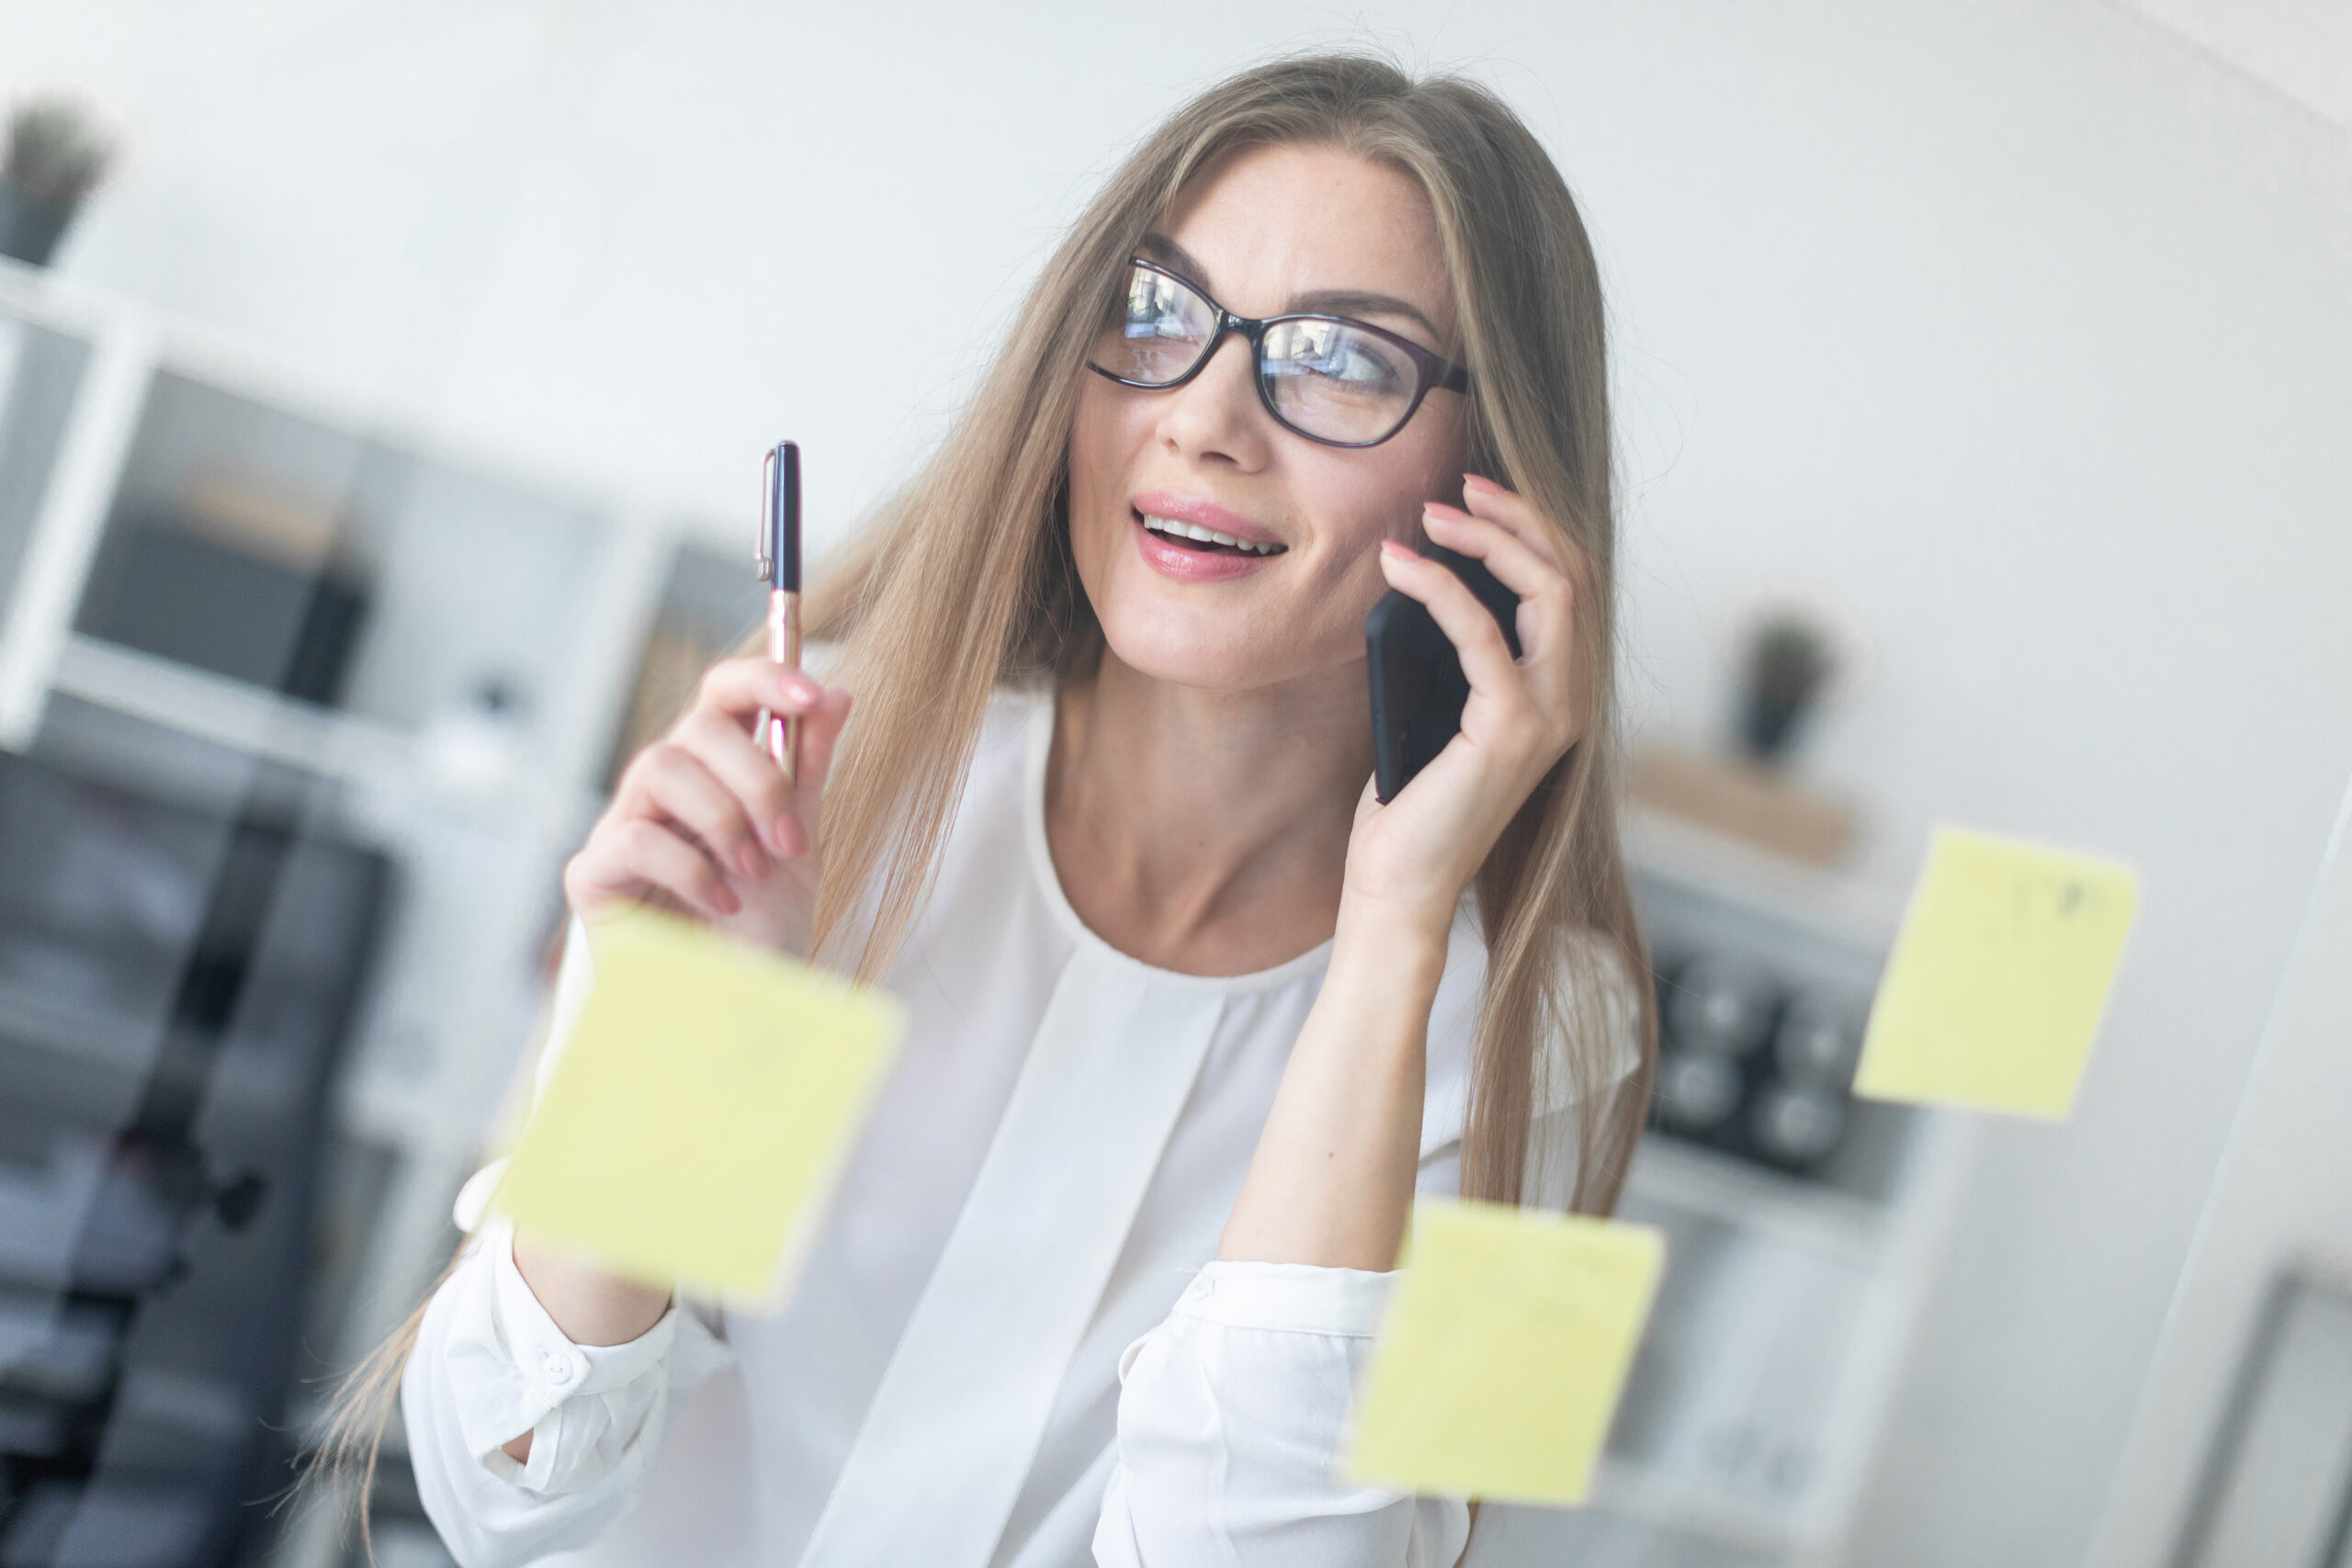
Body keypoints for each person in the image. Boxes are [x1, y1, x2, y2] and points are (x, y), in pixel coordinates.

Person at [364, 51, 1654, 1568]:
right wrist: (690, 1044)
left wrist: (1392, 945)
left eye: (1340, 360)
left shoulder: (1555, 1036)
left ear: (1498, 478)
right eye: (1158, 314)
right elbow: (505, 1490)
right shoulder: (823, 777)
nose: (1207, 419)